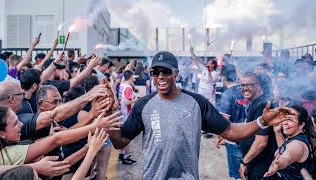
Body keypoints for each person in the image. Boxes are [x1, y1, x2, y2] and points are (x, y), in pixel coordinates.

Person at [106, 51, 295, 180]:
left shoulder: (197, 102)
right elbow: (120, 142)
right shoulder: (143, 104)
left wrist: (263, 121)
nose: (160, 76)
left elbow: (231, 131)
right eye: (156, 72)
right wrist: (108, 117)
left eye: (166, 71)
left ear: (176, 73)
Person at [238, 72, 277, 180]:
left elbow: (261, 142)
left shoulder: (262, 106)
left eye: (249, 85)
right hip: (255, 164)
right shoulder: (255, 103)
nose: (245, 88)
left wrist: (244, 162)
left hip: (261, 168)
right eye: (242, 85)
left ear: (258, 85)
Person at [264, 105, 316, 179]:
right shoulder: (297, 137)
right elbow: (285, 149)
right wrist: (277, 132)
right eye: (284, 118)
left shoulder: (297, 144)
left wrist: (278, 164)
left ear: (301, 125)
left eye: (290, 120)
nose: (285, 122)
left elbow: (287, 157)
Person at [216, 64, 246, 180]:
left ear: (223, 77)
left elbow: (224, 121)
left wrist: (220, 136)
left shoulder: (227, 94)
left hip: (234, 139)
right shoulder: (245, 90)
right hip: (250, 136)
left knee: (238, 174)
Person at [118, 70, 139, 165]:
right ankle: (125, 157)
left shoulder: (122, 85)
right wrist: (136, 99)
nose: (134, 78)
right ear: (130, 77)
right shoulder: (128, 88)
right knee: (127, 136)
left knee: (122, 135)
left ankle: (122, 153)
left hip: (121, 113)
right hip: (126, 114)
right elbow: (127, 102)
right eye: (133, 76)